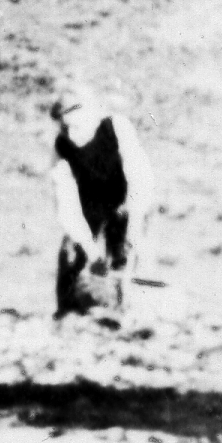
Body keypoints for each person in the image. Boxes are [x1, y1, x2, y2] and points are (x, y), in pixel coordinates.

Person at [48, 91, 155, 316]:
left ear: (90, 116)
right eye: (64, 128)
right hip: (90, 206)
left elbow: (140, 178)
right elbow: (67, 207)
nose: (69, 133)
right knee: (72, 254)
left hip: (125, 202)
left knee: (124, 257)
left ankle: (121, 311)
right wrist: (92, 251)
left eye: (75, 126)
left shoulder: (116, 127)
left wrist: (134, 227)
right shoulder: (61, 148)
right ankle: (68, 316)